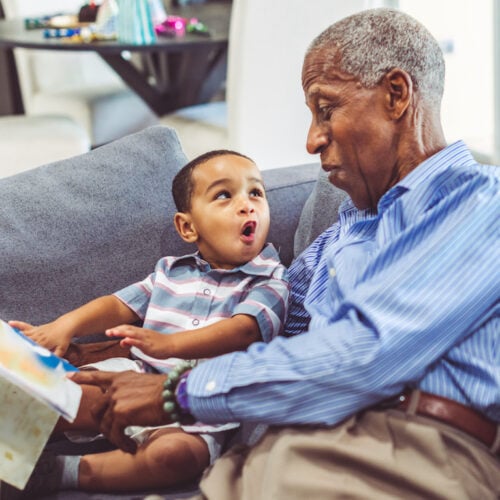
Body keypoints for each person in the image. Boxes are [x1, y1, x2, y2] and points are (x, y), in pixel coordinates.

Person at [48, 7, 500, 498]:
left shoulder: (477, 202)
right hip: (282, 443)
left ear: (396, 95)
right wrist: (108, 358)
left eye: (325, 109)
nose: (311, 140)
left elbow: (366, 353)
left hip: (407, 449)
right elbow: (258, 327)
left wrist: (175, 393)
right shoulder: (342, 233)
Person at [7, 150, 289, 495]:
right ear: (188, 227)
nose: (247, 205)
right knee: (64, 392)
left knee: (176, 456)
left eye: (256, 193)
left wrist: (170, 345)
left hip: (199, 407)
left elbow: (244, 329)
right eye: (224, 195)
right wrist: (65, 325)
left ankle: (63, 472)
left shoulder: (269, 281)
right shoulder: (170, 271)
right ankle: (16, 444)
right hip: (134, 379)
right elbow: (118, 304)